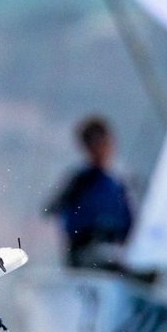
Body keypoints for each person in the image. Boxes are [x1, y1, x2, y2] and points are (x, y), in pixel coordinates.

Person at [43, 116, 137, 271]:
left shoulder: (119, 183)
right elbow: (50, 208)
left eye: (104, 142)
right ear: (86, 147)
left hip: (115, 250)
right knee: (113, 262)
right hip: (85, 254)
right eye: (95, 143)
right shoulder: (80, 180)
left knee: (146, 269)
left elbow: (131, 223)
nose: (101, 148)